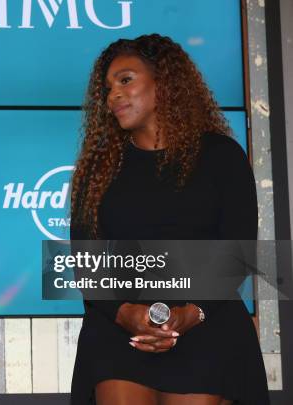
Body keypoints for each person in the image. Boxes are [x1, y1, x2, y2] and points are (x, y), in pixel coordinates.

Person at [69, 34, 269, 405]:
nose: (113, 94)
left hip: (206, 317)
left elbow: (238, 253)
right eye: (108, 87)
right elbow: (86, 263)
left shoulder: (221, 156)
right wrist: (126, 313)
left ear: (164, 80)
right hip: (121, 325)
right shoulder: (99, 168)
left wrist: (192, 313)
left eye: (125, 80)